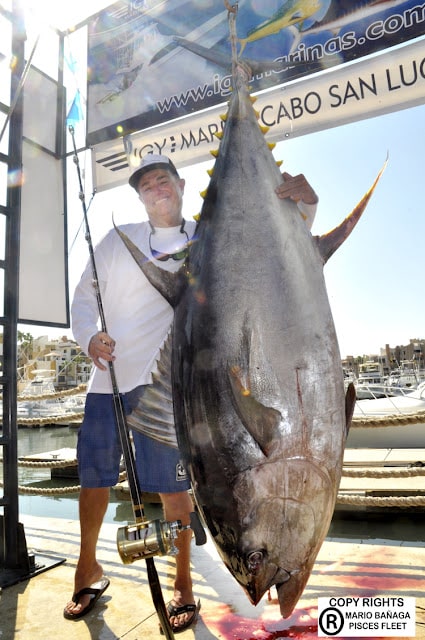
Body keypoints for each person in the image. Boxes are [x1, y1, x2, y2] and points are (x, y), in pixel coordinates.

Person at [63, 154, 318, 630]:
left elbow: (267, 254)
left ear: (181, 185)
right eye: (145, 185)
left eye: (163, 179)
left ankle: (182, 583)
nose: (155, 188)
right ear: (139, 197)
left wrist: (307, 210)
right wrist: (88, 337)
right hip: (109, 378)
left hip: (169, 386)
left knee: (175, 491)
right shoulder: (118, 241)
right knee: (94, 479)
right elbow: (82, 294)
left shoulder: (206, 239)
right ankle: (87, 567)